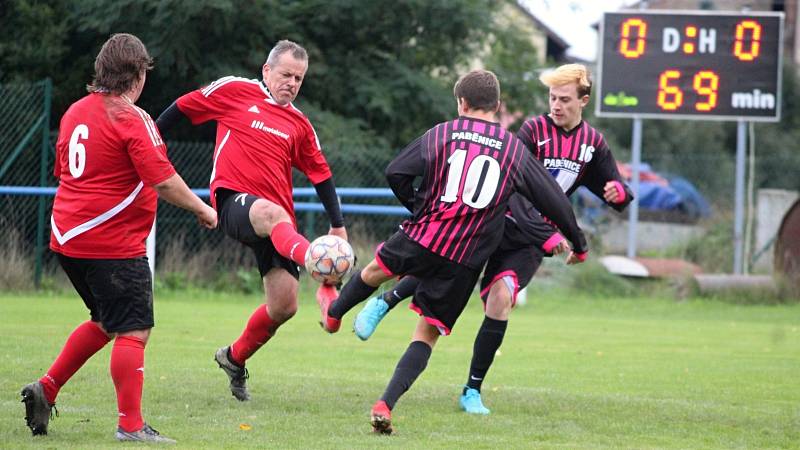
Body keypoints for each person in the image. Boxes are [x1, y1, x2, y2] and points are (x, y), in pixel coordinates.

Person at [352, 63, 633, 415]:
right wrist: (547, 233)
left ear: (583, 101)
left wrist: (619, 193)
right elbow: (512, 185)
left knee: (501, 300)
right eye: (552, 98)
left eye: (564, 99)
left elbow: (612, 189)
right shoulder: (533, 130)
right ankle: (385, 300)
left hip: (527, 244)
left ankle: (472, 390)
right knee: (445, 259)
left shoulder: (593, 144)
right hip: (498, 222)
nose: (556, 105)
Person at [20, 33, 218, 443]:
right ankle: (131, 426)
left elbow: (67, 173)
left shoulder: (75, 112)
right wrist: (202, 208)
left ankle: (47, 388)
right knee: (134, 329)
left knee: (106, 322)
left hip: (66, 238)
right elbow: (162, 181)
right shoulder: (131, 116)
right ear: (138, 74)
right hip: (111, 242)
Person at [154, 40, 347, 402]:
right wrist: (150, 145)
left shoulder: (300, 124)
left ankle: (233, 357)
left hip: (277, 226)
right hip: (233, 202)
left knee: (284, 306)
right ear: (266, 71)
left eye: (299, 78)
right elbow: (182, 107)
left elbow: (320, 174)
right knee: (272, 213)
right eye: (286, 74)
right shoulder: (234, 90)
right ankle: (321, 272)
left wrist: (337, 226)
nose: (292, 83)